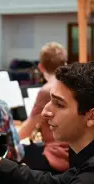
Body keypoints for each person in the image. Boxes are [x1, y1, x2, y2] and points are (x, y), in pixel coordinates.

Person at [18, 42, 69, 173]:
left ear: (41, 67)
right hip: (75, 153)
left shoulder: (47, 90)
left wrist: (7, 141)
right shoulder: (73, 85)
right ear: (65, 64)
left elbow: (27, 131)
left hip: (58, 155)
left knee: (12, 157)